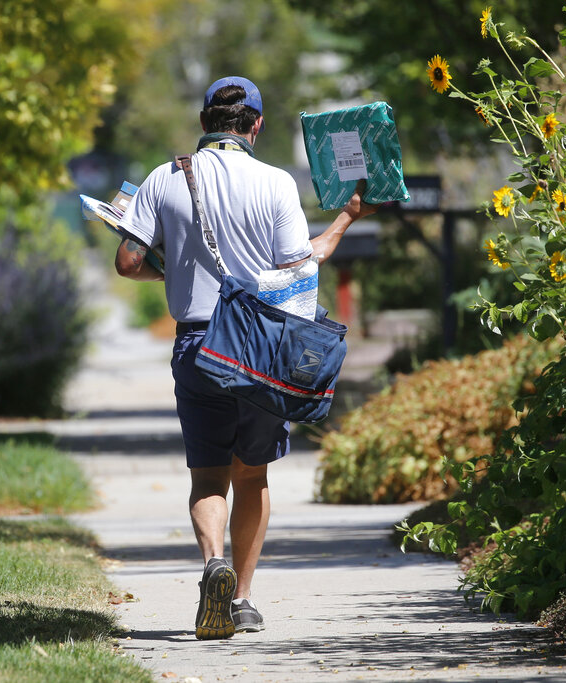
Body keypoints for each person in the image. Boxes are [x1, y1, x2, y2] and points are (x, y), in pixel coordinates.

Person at [114, 75, 377, 640]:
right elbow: (297, 266)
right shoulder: (276, 183)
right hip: (261, 345)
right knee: (251, 475)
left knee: (207, 474)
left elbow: (128, 261)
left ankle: (213, 563)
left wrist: (171, 267)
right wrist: (346, 219)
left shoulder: (164, 178)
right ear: (255, 125)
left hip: (198, 343)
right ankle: (242, 600)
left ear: (205, 121)